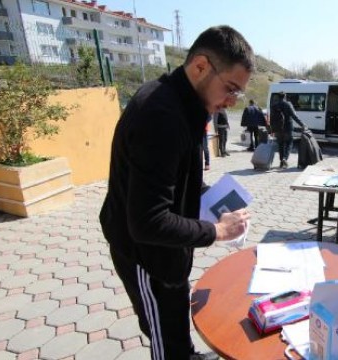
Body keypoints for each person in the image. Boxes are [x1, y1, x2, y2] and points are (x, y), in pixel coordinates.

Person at [99, 25, 255, 360]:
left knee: (175, 324)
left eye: (237, 95)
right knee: (165, 342)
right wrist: (216, 231)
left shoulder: (186, 105)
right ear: (201, 66)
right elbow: (147, 222)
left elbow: (179, 179)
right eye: (230, 89)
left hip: (169, 253)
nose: (230, 102)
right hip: (145, 255)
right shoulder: (161, 116)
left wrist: (214, 199)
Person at [270, 92, 307, 168]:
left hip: (278, 128)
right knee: (289, 143)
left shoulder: (274, 105)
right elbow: (294, 116)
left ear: (278, 97)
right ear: (285, 97)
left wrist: (272, 129)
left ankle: (281, 162)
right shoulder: (288, 104)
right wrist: (302, 125)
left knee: (280, 145)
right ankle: (285, 158)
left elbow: (272, 118)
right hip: (287, 127)